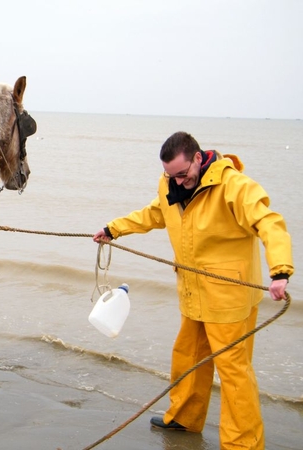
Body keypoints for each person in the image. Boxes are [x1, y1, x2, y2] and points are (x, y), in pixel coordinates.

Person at [93, 131, 293, 450]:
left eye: (183, 174)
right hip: (192, 293)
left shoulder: (234, 186)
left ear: (198, 158)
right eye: (170, 175)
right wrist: (113, 229)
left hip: (230, 299)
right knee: (186, 357)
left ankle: (244, 444)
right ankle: (185, 418)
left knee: (234, 375)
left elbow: (270, 223)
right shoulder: (170, 183)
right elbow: (155, 213)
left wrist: (280, 270)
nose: (178, 182)